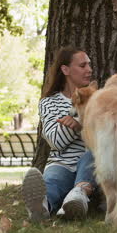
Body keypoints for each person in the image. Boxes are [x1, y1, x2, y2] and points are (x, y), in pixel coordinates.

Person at [22, 46, 97, 222]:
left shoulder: (97, 98)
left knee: (93, 155)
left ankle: (77, 198)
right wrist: (77, 125)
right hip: (62, 163)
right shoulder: (49, 103)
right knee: (53, 180)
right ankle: (41, 208)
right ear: (65, 70)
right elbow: (56, 141)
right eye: (83, 65)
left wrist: (78, 121)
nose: (89, 69)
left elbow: (105, 134)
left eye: (89, 65)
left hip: (91, 158)